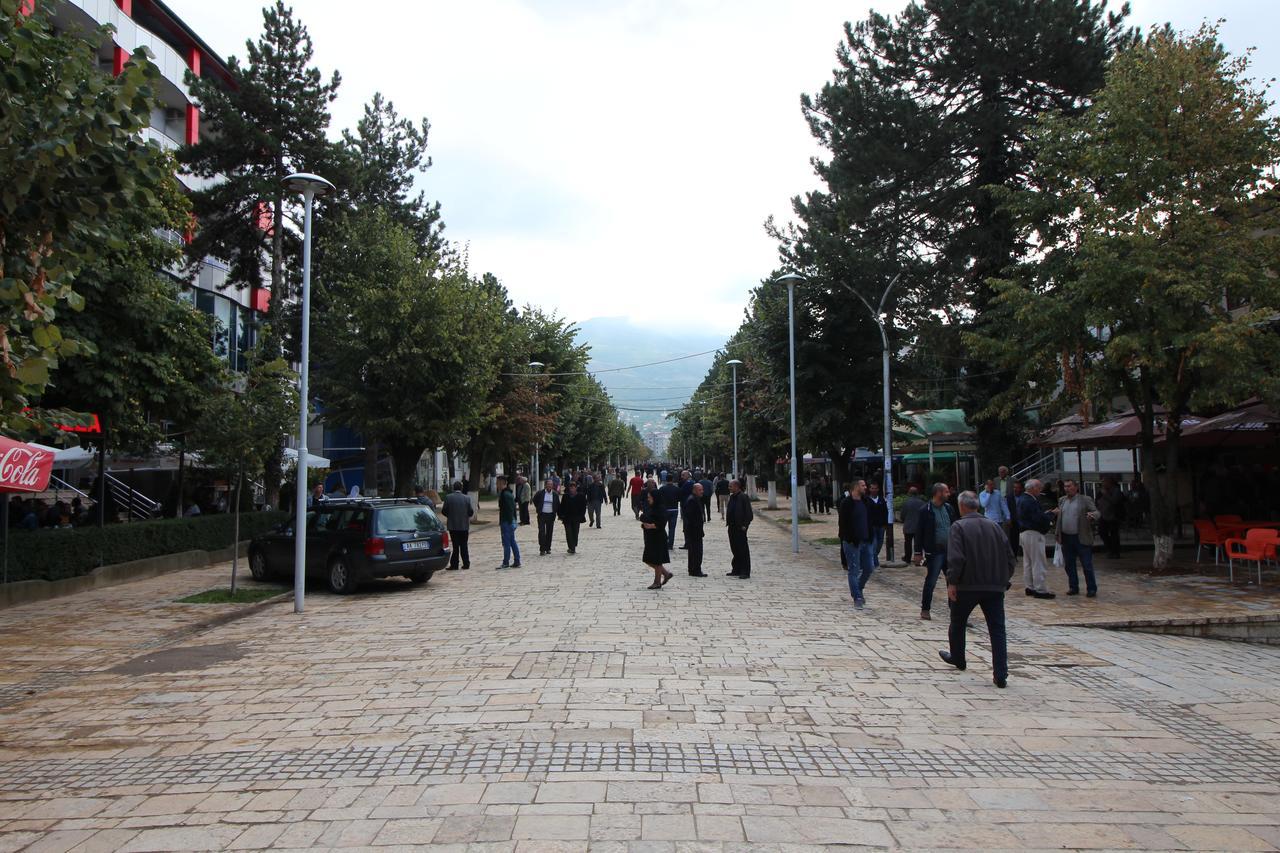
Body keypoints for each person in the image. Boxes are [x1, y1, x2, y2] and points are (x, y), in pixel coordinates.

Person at [937, 490, 1016, 688]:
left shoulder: (959, 526)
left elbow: (956, 558)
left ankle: (958, 657)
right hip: (993, 586)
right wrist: (1003, 578)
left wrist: (952, 581)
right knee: (997, 629)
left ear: (961, 506)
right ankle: (1000, 673)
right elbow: (1010, 557)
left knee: (957, 621)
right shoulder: (994, 526)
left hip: (967, 585)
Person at [913, 483, 956, 620]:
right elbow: (919, 532)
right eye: (946, 492)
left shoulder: (948, 508)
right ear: (938, 493)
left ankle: (956, 613)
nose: (949, 494)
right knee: (931, 581)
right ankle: (925, 609)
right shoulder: (925, 510)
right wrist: (918, 552)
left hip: (950, 551)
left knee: (953, 581)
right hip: (935, 551)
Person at [1054, 479, 1100, 597]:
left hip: (1081, 536)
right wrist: (1057, 533)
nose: (1067, 488)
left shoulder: (1084, 500)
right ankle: (1073, 586)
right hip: (1066, 537)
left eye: (1069, 486)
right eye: (1065, 486)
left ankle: (1091, 588)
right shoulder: (1062, 500)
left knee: (1086, 564)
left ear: (1076, 487)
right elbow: (1059, 518)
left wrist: (1092, 516)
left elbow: (1096, 512)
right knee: (1069, 564)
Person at [1017, 479, 1055, 598]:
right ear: (1033, 488)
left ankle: (1030, 586)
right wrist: (1051, 515)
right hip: (1033, 533)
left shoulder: (1022, 499)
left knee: (1028, 561)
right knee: (1038, 561)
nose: (1040, 490)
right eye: (1039, 488)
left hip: (1024, 533)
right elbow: (1037, 518)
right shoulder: (1030, 501)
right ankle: (1040, 589)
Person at [838, 480, 871, 609]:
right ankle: (857, 596)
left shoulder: (865, 502)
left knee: (869, 567)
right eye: (863, 485)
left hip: (866, 540)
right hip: (852, 542)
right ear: (856, 487)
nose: (865, 487)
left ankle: (858, 587)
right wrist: (849, 538)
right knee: (854, 569)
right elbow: (843, 524)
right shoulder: (846, 503)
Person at [639, 489, 674, 589]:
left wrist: (650, 526)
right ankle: (666, 574)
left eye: (650, 497)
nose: (648, 499)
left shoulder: (660, 508)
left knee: (657, 560)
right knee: (648, 559)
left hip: (658, 537)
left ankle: (657, 582)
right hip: (651, 537)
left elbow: (661, 523)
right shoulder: (652, 507)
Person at [725, 477, 754, 578]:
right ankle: (736, 569)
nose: (729, 488)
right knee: (735, 549)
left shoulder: (743, 497)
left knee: (742, 550)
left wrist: (745, 525)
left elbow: (749, 514)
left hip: (740, 528)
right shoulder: (732, 497)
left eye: (731, 486)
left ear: (737, 486)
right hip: (732, 527)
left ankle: (745, 571)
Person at [442, 482, 473, 570]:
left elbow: (444, 511)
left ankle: (455, 564)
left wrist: (451, 516)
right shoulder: (467, 498)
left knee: (455, 546)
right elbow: (470, 512)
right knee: (464, 545)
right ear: (461, 488)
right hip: (464, 526)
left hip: (453, 525)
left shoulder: (448, 497)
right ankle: (466, 563)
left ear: (453, 488)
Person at [495, 476, 521, 569]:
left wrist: (510, 522)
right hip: (507, 521)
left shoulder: (506, 494)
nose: (496, 485)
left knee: (507, 543)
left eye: (497, 483)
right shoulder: (506, 493)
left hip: (507, 522)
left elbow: (510, 509)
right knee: (512, 541)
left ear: (502, 483)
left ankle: (506, 562)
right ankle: (517, 560)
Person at [1096, 478, 1124, 558]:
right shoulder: (1102, 491)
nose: (1103, 484)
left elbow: (1114, 501)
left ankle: (1115, 551)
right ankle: (1110, 549)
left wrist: (1105, 494)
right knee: (1102, 532)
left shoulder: (1116, 491)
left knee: (1114, 534)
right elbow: (1098, 500)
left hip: (1113, 515)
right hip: (1104, 514)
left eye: (1104, 482)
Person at [683, 483, 707, 576]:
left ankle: (693, 569)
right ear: (694, 490)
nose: (702, 492)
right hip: (694, 531)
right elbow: (691, 517)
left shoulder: (695, 499)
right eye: (700, 490)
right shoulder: (692, 500)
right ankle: (695, 570)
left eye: (702, 490)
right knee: (696, 551)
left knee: (694, 551)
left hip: (695, 530)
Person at [533, 478, 560, 556]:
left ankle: (548, 548)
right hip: (542, 515)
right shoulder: (540, 493)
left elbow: (557, 504)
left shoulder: (555, 494)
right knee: (541, 531)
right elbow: (535, 500)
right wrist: (539, 508)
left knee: (549, 532)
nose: (549, 486)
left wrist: (558, 514)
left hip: (551, 515)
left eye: (551, 484)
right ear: (545, 485)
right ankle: (542, 548)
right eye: (548, 484)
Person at [559, 481, 587, 554]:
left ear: (576, 488)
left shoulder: (581, 496)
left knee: (575, 532)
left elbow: (583, 507)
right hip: (567, 518)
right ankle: (571, 547)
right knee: (568, 533)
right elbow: (561, 506)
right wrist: (560, 515)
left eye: (573, 487)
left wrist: (581, 515)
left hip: (576, 518)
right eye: (571, 488)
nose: (572, 489)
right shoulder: (565, 496)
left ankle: (573, 545)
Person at [866, 482, 889, 568]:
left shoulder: (882, 500)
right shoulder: (867, 500)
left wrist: (885, 524)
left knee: (879, 544)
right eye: (872, 488)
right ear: (869, 489)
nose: (874, 490)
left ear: (878, 489)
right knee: (874, 544)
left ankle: (872, 558)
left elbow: (885, 512)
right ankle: (875, 563)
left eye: (875, 488)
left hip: (881, 526)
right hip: (872, 526)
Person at [900, 485, 926, 560]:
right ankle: (918, 558)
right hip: (919, 527)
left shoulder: (906, 503)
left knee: (907, 543)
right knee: (918, 543)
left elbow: (902, 515)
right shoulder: (922, 503)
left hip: (908, 526)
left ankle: (907, 557)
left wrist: (904, 520)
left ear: (909, 493)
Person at [658, 477, 681, 551]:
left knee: (661, 527)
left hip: (664, 510)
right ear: (672, 480)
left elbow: (659, 499)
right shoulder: (677, 489)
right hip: (674, 510)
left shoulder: (662, 489)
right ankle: (670, 545)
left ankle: (663, 542)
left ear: (666, 480)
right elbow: (679, 499)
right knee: (672, 529)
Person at [1006, 479, 1024, 555]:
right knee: (1013, 539)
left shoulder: (1024, 496)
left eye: (1017, 487)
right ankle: (1014, 555)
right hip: (1013, 520)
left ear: (1021, 488)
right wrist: (1008, 518)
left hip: (1023, 521)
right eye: (1014, 487)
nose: (1015, 489)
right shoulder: (1009, 496)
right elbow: (1007, 508)